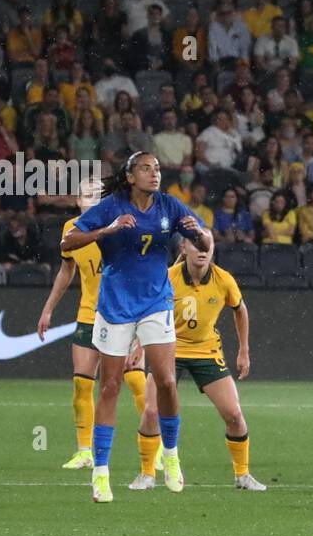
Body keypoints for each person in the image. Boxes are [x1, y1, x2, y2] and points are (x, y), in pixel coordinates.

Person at [59, 152, 212, 503]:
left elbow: (203, 242)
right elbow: (67, 243)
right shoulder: (110, 207)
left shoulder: (170, 206)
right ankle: (101, 473)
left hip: (157, 302)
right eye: (146, 168)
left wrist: (198, 236)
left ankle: (170, 456)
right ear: (130, 176)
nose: (154, 173)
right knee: (110, 386)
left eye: (157, 168)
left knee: (168, 382)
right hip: (115, 305)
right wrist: (107, 231)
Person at [133, 237, 265, 490]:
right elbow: (148, 311)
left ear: (213, 249)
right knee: (151, 412)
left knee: (235, 415)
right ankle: (147, 474)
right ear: (184, 248)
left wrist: (244, 350)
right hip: (169, 347)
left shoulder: (223, 279)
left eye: (207, 246)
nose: (202, 251)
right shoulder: (168, 276)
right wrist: (140, 346)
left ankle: (242, 475)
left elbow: (240, 309)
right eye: (196, 245)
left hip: (206, 350)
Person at [38, 179, 153, 470]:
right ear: (78, 201)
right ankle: (84, 451)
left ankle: (156, 448)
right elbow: (66, 270)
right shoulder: (71, 230)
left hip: (124, 315)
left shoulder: (123, 226)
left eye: (96, 195)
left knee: (136, 380)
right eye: (85, 195)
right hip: (89, 314)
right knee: (81, 384)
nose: (90, 199)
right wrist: (48, 309)